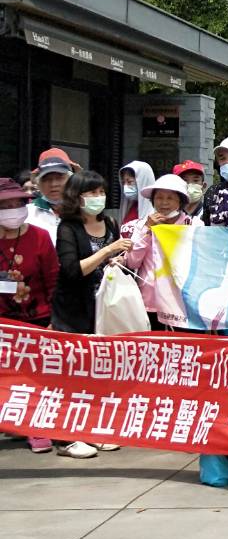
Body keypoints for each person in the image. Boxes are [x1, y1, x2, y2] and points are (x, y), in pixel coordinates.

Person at [51, 170, 130, 459]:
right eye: (91, 193)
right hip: (73, 312)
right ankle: (65, 437)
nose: (98, 198)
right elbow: (73, 270)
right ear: (77, 196)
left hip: (104, 309)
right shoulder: (68, 228)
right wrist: (108, 250)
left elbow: (117, 259)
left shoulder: (109, 223)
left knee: (97, 375)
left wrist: (119, 258)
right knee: (71, 376)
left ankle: (93, 429)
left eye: (101, 192)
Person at [0, 176, 59, 454]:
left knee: (35, 377)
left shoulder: (39, 236)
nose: (12, 210)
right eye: (5, 206)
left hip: (38, 319)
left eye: (17, 204)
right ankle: (12, 422)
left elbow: (53, 279)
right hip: (4, 323)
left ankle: (37, 427)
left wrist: (54, 319)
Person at [121, 173, 198, 326]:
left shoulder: (193, 225)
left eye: (170, 198)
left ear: (181, 201)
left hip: (182, 302)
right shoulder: (141, 225)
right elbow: (132, 262)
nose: (164, 203)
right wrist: (147, 230)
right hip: (150, 301)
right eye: (159, 198)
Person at [26, 147, 74, 241]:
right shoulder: (27, 213)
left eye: (59, 178)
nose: (53, 184)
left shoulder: (83, 211)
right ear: (38, 184)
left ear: (71, 180)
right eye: (46, 179)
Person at [116, 160, 155, 228]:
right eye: (123, 183)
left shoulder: (157, 212)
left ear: (143, 181)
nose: (125, 186)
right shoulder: (129, 208)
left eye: (129, 182)